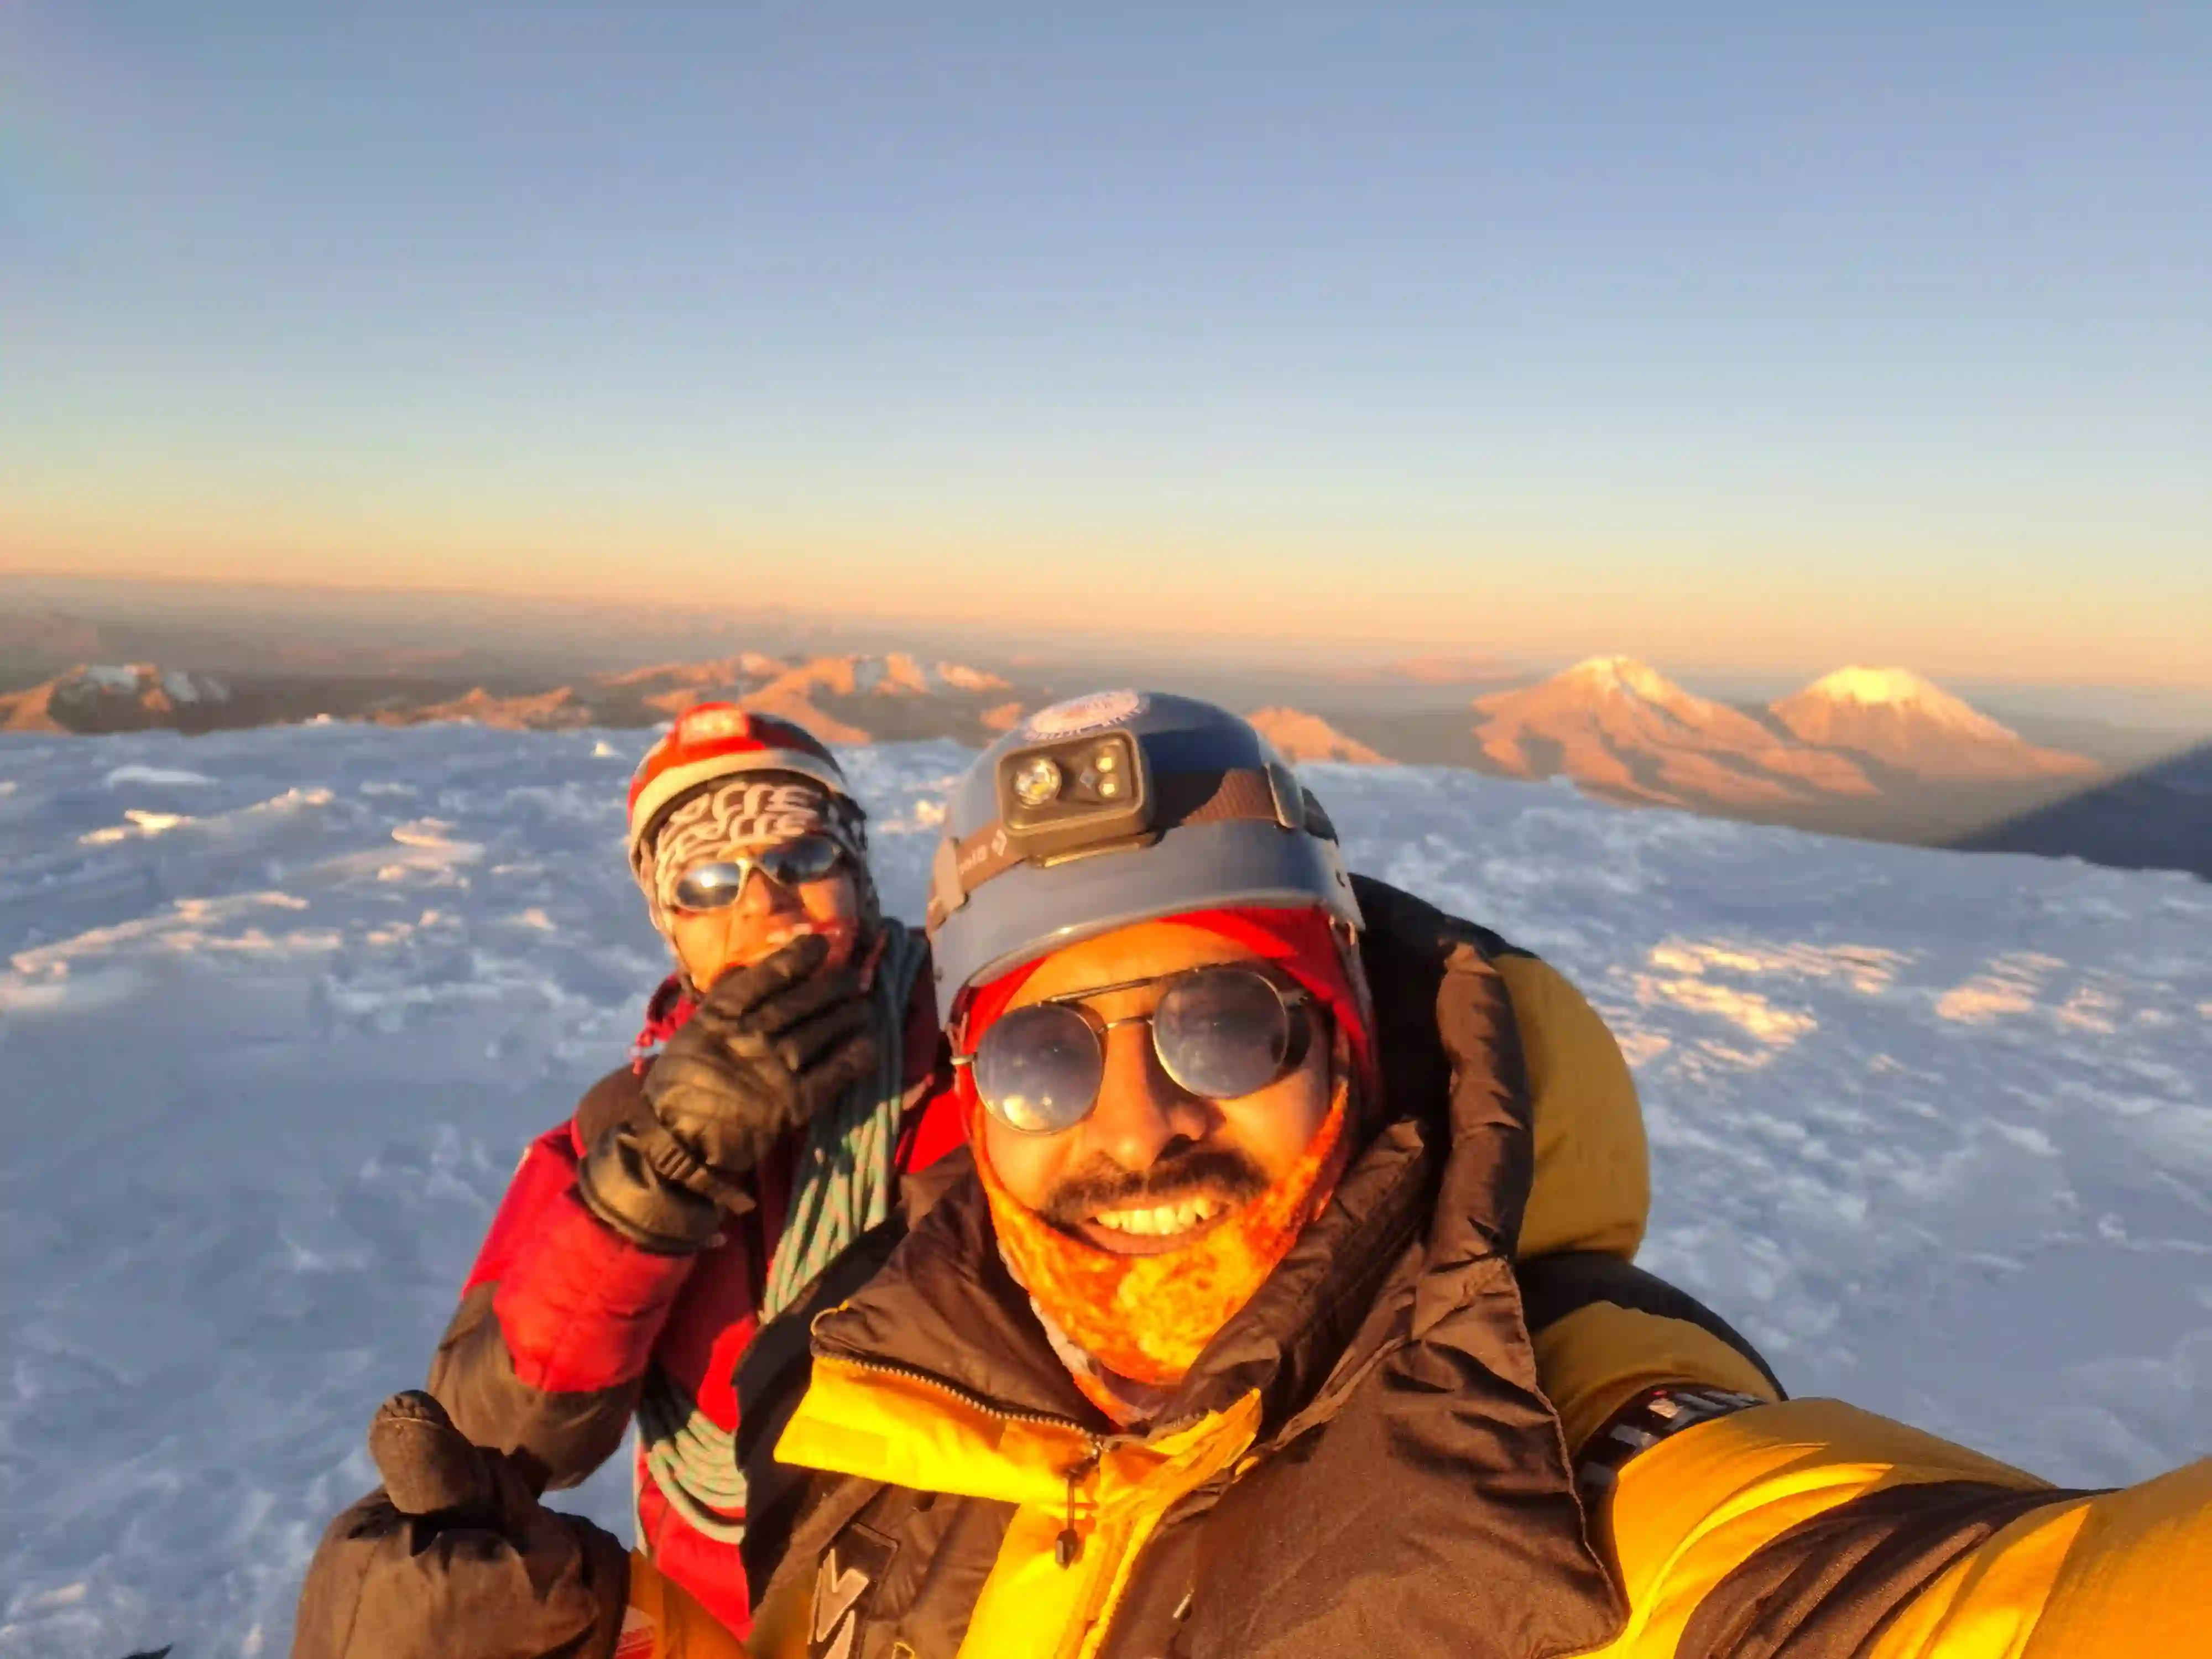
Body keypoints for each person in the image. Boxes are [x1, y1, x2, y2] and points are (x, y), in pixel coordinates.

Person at [295, 694, 2212, 1659]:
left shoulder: (1533, 1453)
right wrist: (636, 1198)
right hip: (768, 1580)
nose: (1132, 1130)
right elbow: (505, 1421)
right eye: (705, 877)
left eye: (1228, 1029)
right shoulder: (647, 1140)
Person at [421, 702, 964, 1639]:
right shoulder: (612, 1132)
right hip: (715, 1620)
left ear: (856, 870)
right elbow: (496, 1441)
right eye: (709, 880)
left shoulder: (982, 1060)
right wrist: (656, 1178)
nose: (763, 903)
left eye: (800, 859)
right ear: (669, 921)